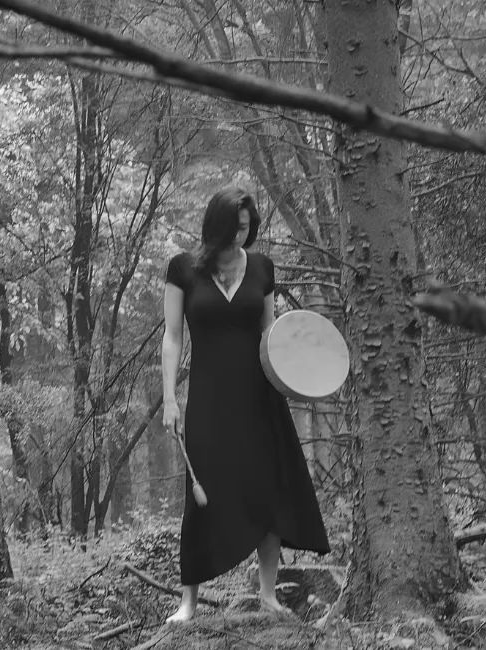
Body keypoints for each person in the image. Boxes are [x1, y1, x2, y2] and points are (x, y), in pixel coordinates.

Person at [161, 187, 330, 622]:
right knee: (202, 496)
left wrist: (300, 379)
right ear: (215, 224)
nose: (242, 234)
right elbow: (173, 337)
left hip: (260, 397)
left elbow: (273, 334)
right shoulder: (182, 270)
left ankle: (268, 594)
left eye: (247, 227)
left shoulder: (262, 268)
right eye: (235, 226)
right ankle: (188, 603)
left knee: (266, 489)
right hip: (208, 399)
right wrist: (169, 399)